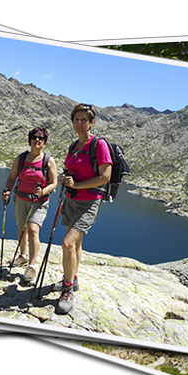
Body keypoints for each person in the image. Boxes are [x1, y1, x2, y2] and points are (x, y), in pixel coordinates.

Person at [55, 104, 112, 315]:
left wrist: (77, 185)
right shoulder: (74, 146)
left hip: (89, 202)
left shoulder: (99, 145)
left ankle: (67, 289)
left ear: (91, 122)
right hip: (71, 200)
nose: (79, 123)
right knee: (76, 243)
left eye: (83, 120)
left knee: (67, 242)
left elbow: (105, 176)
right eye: (76, 119)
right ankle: (73, 278)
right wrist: (65, 180)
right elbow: (71, 169)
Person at [1, 127, 58, 282]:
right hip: (20, 199)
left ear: (44, 142)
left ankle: (31, 266)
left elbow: (54, 183)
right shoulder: (21, 159)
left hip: (39, 202)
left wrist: (43, 191)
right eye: (34, 137)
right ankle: (23, 255)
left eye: (41, 138)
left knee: (33, 229)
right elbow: (12, 177)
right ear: (30, 140)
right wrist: (7, 190)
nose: (37, 140)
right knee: (22, 229)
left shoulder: (48, 161)